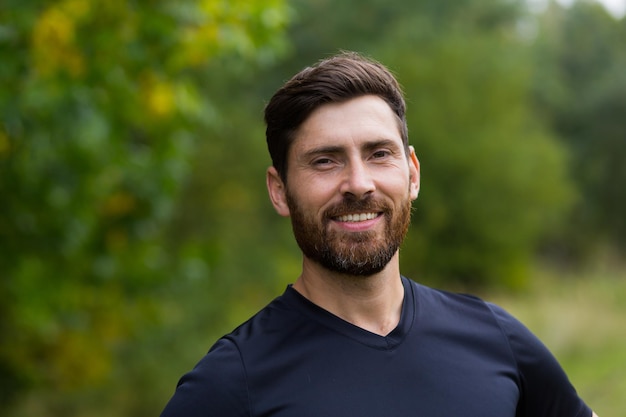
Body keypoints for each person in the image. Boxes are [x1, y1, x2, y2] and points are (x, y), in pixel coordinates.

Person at [160, 51, 597, 417]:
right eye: (325, 161)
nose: (359, 183)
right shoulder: (233, 382)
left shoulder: (495, 337)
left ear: (412, 174)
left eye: (379, 154)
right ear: (280, 191)